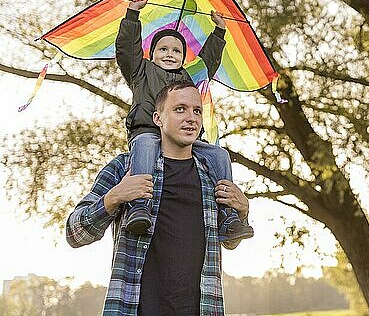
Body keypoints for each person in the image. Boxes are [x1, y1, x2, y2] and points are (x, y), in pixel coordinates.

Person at [66, 80, 249, 315]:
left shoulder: (212, 175)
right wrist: (114, 197)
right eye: (179, 109)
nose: (191, 117)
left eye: (197, 111)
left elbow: (229, 242)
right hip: (134, 309)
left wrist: (242, 212)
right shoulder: (126, 168)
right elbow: (75, 233)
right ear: (158, 119)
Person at [116, 0, 253, 241]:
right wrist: (132, 15)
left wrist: (219, 31)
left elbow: (208, 60)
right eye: (163, 49)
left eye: (176, 51)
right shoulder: (141, 71)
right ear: (151, 53)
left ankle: (228, 214)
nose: (170, 54)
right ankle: (138, 207)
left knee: (219, 154)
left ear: (183, 57)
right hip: (147, 131)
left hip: (182, 140)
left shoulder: (189, 77)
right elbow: (127, 49)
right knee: (145, 147)